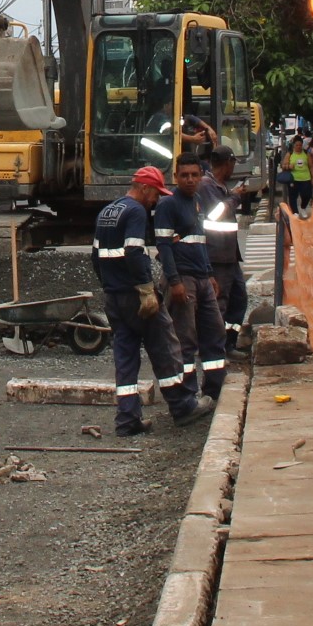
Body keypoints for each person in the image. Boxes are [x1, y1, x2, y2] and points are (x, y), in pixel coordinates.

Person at [93, 164, 217, 437]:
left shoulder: (107, 211)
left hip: (114, 297)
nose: (156, 200)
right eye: (155, 193)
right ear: (143, 187)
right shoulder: (136, 211)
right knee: (165, 348)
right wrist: (146, 289)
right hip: (136, 295)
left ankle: (127, 419)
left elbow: (95, 255)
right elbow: (134, 251)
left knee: (125, 357)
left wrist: (109, 285)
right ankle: (183, 407)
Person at [155, 154, 229, 400]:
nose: (190, 180)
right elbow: (164, 246)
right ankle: (186, 396)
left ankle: (214, 390)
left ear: (200, 176)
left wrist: (210, 274)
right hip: (183, 278)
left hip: (202, 278)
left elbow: (200, 241)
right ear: (175, 176)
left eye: (194, 175)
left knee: (215, 332)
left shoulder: (197, 201)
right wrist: (174, 281)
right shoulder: (168, 205)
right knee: (185, 338)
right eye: (184, 175)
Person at [201, 145, 252, 354]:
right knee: (219, 302)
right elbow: (215, 214)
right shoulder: (206, 185)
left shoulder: (220, 185)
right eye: (232, 164)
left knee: (238, 299)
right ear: (227, 163)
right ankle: (215, 348)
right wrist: (235, 196)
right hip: (217, 254)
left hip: (229, 255)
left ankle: (228, 341)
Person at [281, 133, 313, 215]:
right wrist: (289, 166)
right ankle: (295, 212)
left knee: (307, 195)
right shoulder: (290, 154)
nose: (298, 147)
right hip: (293, 178)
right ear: (293, 145)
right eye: (297, 145)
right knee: (293, 196)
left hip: (305, 178)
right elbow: (283, 165)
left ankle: (303, 207)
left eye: (300, 145)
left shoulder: (306, 153)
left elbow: (311, 166)